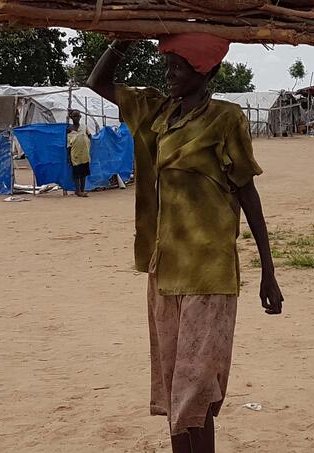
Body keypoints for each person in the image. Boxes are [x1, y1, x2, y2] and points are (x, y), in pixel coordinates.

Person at [86, 34, 284, 453]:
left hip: (209, 271)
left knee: (197, 390)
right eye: (168, 63)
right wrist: (126, 36)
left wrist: (269, 271)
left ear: (206, 71)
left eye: (179, 66)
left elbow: (248, 193)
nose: (169, 73)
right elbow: (98, 82)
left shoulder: (225, 119)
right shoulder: (157, 113)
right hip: (165, 269)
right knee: (176, 386)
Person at [66, 110, 90, 197]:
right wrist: (68, 156)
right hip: (75, 153)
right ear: (71, 118)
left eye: (78, 116)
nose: (76, 118)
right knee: (76, 172)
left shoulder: (84, 127)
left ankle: (82, 190)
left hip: (84, 153)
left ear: (80, 117)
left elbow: (89, 135)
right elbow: (68, 144)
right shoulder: (69, 129)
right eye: (74, 116)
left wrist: (87, 143)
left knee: (84, 172)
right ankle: (78, 190)